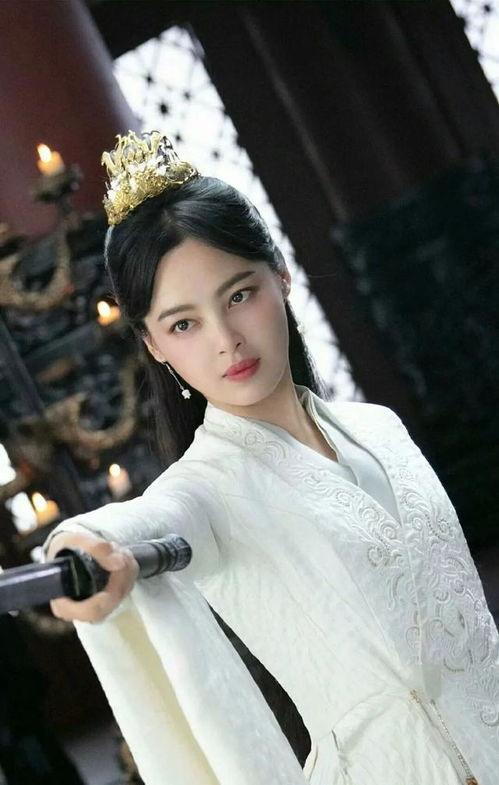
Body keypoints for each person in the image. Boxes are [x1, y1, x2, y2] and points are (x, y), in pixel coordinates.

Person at [42, 131, 498, 785]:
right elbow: (146, 521)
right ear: (153, 345)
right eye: (183, 324)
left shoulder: (380, 428)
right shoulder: (207, 489)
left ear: (279, 276)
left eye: (238, 295)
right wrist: (82, 549)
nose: (226, 340)